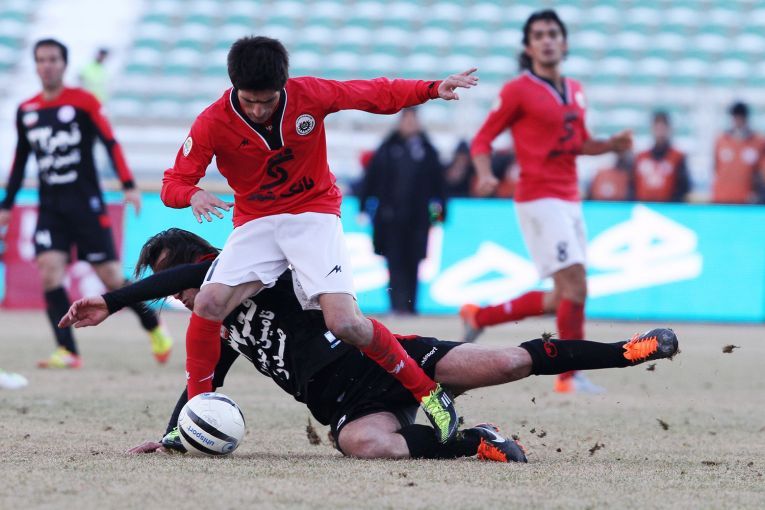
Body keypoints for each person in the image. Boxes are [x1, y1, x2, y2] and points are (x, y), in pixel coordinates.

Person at [59, 228, 679, 461]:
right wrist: (175, 435)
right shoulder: (220, 327)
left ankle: (626, 350)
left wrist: (116, 299)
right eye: (173, 291)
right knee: (364, 446)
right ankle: (472, 441)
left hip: (389, 360)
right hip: (348, 405)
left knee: (510, 361)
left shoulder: (252, 268)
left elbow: (194, 276)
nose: (180, 296)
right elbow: (204, 388)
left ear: (204, 262)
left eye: (180, 282)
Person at [160, 36, 478, 443]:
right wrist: (192, 195)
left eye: (267, 101)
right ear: (234, 87)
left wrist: (430, 89)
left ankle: (429, 393)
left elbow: (371, 93)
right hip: (256, 223)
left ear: (283, 86)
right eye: (249, 101)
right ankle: (193, 416)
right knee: (208, 304)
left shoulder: (309, 94)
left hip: (313, 215)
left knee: (345, 323)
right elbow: (173, 182)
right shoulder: (212, 121)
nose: (257, 110)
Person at [459, 10, 633, 394]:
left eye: (553, 33)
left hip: (570, 198)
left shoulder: (575, 89)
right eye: (538, 35)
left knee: (563, 296)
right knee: (576, 286)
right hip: (539, 197)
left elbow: (580, 143)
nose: (547, 40)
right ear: (528, 47)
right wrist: (485, 173)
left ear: (564, 42)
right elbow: (482, 139)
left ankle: (479, 315)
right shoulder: (517, 90)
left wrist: (610, 145)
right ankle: (569, 376)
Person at [0, 39, 173, 368]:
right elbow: (21, 160)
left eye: (53, 59)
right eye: (41, 60)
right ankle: (67, 350)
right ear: (35, 65)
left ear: (64, 64)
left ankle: (153, 325)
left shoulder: (83, 102)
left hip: (86, 205)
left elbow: (110, 142)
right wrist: (6, 205)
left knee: (111, 278)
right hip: (50, 207)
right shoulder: (27, 110)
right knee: (49, 271)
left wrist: (128, 185)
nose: (47, 65)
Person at [358, 108, 446, 315]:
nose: (409, 124)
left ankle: (410, 306)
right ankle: (396, 306)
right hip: (389, 218)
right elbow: (370, 181)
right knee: (393, 262)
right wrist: (363, 208)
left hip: (418, 219)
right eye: (406, 120)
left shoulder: (427, 151)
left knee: (413, 263)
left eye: (413, 120)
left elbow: (439, 189)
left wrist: (439, 216)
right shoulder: (387, 149)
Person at [712, 101, 765, 204]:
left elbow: (761, 172)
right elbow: (715, 167)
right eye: (736, 117)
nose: (738, 121)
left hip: (747, 199)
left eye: (741, 117)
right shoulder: (721, 141)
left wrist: (759, 194)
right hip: (722, 197)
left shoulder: (758, 142)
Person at [633, 111, 690, 202]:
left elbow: (684, 188)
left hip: (668, 207)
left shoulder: (678, 158)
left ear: (669, 129)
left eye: (663, 127)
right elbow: (632, 186)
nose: (660, 131)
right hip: (643, 207)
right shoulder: (641, 158)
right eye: (657, 127)